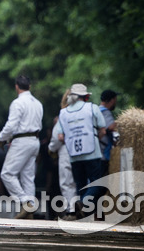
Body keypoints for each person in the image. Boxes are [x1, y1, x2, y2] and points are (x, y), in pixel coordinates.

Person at [56, 83, 106, 217]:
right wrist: (95, 137)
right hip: (92, 152)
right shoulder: (92, 108)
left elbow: (60, 136)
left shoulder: (63, 113)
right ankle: (83, 203)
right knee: (98, 182)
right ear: (86, 96)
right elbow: (103, 130)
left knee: (80, 184)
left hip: (74, 155)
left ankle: (82, 213)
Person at [0, 74, 43, 219]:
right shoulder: (37, 103)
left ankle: (26, 202)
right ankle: (29, 211)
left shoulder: (18, 103)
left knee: (7, 173)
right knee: (27, 176)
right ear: (29, 86)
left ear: (16, 87)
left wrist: (1, 138)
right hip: (35, 140)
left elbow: (11, 125)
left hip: (22, 140)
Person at [48, 91, 77, 220]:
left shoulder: (64, 115)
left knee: (67, 182)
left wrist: (51, 149)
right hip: (84, 150)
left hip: (66, 151)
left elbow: (56, 138)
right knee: (80, 181)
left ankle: (71, 210)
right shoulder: (87, 113)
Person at [98, 89, 118, 175]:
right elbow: (111, 127)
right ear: (112, 100)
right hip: (102, 153)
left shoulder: (96, 111)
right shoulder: (105, 112)